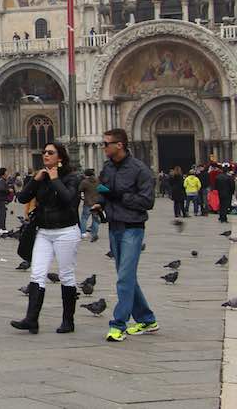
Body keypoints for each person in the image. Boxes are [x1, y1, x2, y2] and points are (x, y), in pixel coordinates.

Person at [93, 128, 158, 342]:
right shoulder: (108, 167)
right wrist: (99, 203)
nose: (103, 147)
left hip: (133, 227)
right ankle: (147, 319)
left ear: (119, 145)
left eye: (106, 143)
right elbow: (104, 191)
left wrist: (121, 197)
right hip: (114, 226)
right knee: (127, 276)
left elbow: (147, 202)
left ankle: (118, 324)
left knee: (124, 277)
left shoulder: (140, 170)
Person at [11, 142, 81, 335]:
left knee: (66, 275)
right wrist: (35, 180)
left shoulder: (72, 177)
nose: (45, 155)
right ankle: (31, 320)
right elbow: (23, 198)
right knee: (37, 273)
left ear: (60, 157)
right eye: (44, 152)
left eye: (50, 153)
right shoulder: (40, 178)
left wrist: (55, 179)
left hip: (66, 231)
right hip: (43, 231)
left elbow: (69, 199)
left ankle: (68, 321)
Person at [78, 168, 102, 242]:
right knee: (95, 219)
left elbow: (79, 189)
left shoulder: (84, 182)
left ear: (86, 174)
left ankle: (83, 233)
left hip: (88, 202)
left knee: (84, 218)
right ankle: (94, 234)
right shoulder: (99, 181)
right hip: (97, 203)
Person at [0, 167, 11, 232]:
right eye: (6, 171)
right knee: (3, 213)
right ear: (3, 173)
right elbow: (2, 189)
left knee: (0, 213)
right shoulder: (1, 180)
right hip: (1, 198)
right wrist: (9, 190)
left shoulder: (1, 179)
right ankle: (2, 228)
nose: (7, 173)